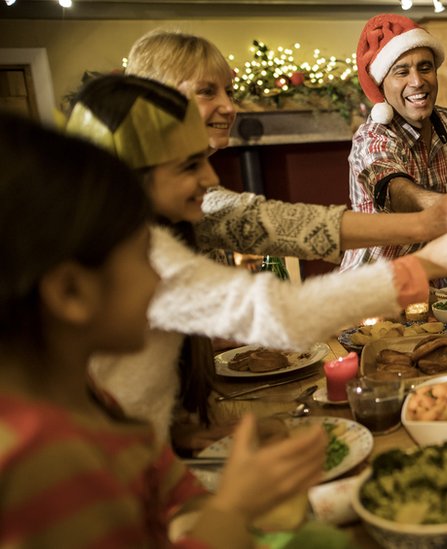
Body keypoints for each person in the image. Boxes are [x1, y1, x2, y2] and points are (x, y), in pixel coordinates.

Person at [70, 74, 447, 448]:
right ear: (124, 175)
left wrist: (173, 432)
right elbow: (285, 314)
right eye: (189, 166)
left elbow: (129, 391)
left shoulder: (136, 237)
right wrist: (425, 264)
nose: (211, 178)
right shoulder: (144, 258)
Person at [0, 112, 327, 547]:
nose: (160, 279)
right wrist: (234, 507)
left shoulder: (90, 397)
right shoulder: (43, 462)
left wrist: (226, 466)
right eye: (142, 256)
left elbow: (165, 486)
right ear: (71, 292)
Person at [125, 28, 447, 268]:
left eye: (230, 92)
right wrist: (428, 224)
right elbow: (284, 224)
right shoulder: (128, 202)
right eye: (207, 91)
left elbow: (263, 229)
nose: (229, 107)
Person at [341, 14, 447, 271]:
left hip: (432, 283)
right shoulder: (371, 136)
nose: (417, 81)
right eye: (401, 72)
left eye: (425, 68)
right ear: (382, 85)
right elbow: (395, 190)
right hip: (373, 287)